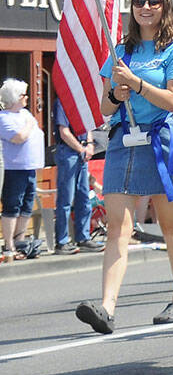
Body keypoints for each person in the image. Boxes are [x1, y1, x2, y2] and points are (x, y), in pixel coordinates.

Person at [75, 0, 173, 333]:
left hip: (161, 140)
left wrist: (139, 84)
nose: (145, 8)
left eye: (153, 3)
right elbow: (104, 107)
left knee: (171, 225)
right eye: (140, 2)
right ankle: (106, 308)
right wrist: (117, 95)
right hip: (123, 140)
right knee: (117, 227)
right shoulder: (120, 51)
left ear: (165, 8)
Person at [53, 98, 104, 255]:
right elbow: (64, 132)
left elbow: (88, 127)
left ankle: (83, 238)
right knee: (65, 199)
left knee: (84, 197)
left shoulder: (80, 100)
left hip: (82, 152)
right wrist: (81, 149)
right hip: (68, 153)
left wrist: (89, 145)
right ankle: (61, 242)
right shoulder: (62, 102)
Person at [0, 79, 44, 262]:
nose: (26, 98)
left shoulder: (25, 113)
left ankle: (20, 240)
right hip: (14, 168)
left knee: (27, 205)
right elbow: (18, 138)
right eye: (23, 95)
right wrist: (29, 125)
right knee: (13, 206)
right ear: (14, 98)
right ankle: (8, 244)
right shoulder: (4, 118)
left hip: (30, 167)